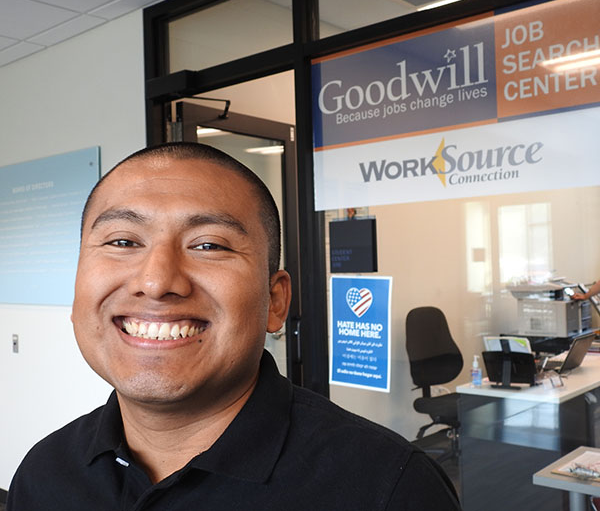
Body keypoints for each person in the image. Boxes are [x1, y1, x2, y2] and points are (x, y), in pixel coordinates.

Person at [7, 142, 461, 510]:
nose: (156, 280)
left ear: (275, 301)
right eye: (123, 241)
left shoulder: (386, 488)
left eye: (208, 245)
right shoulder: (45, 473)